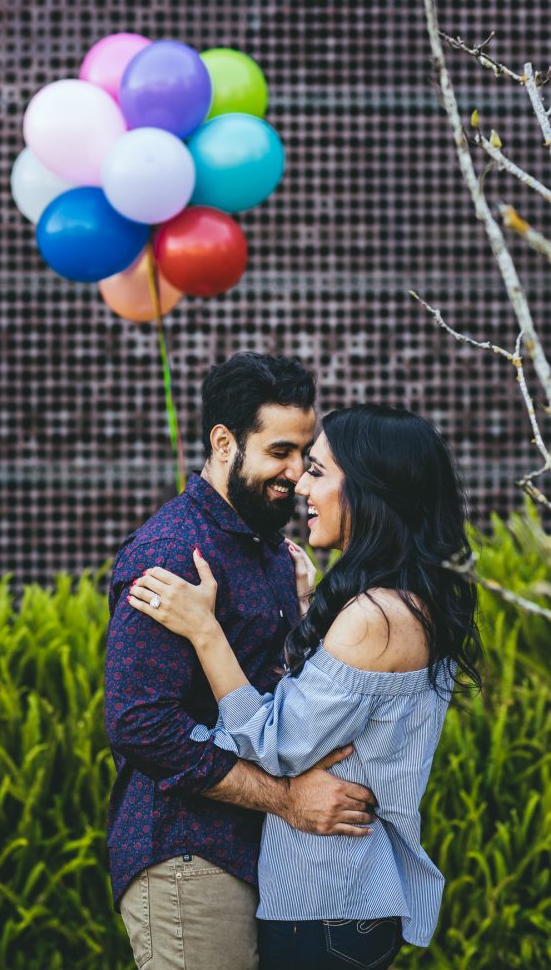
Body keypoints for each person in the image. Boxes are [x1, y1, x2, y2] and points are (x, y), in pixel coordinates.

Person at [130, 403, 482, 970]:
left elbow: (276, 746)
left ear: (370, 491)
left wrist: (205, 631)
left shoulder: (376, 618)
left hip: (324, 906)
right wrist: (307, 614)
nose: (300, 487)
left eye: (317, 471)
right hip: (343, 908)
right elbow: (329, 724)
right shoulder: (401, 605)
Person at [104, 354, 378, 970]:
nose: (296, 474)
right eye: (279, 452)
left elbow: (281, 703)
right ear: (223, 442)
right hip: (187, 858)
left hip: (265, 859)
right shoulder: (171, 552)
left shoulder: (273, 552)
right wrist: (286, 798)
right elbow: (139, 723)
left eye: (305, 454)